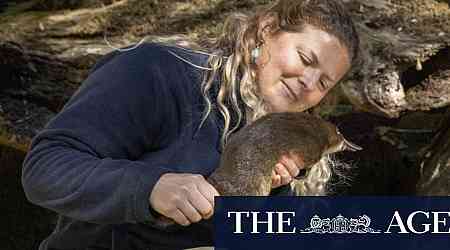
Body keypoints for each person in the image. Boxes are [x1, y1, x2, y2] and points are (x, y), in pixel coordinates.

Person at [21, 0, 359, 249]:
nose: (308, 82)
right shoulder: (157, 72)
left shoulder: (289, 147)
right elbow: (45, 169)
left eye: (324, 83)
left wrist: (264, 195)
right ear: (266, 29)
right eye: (305, 59)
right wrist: (151, 188)